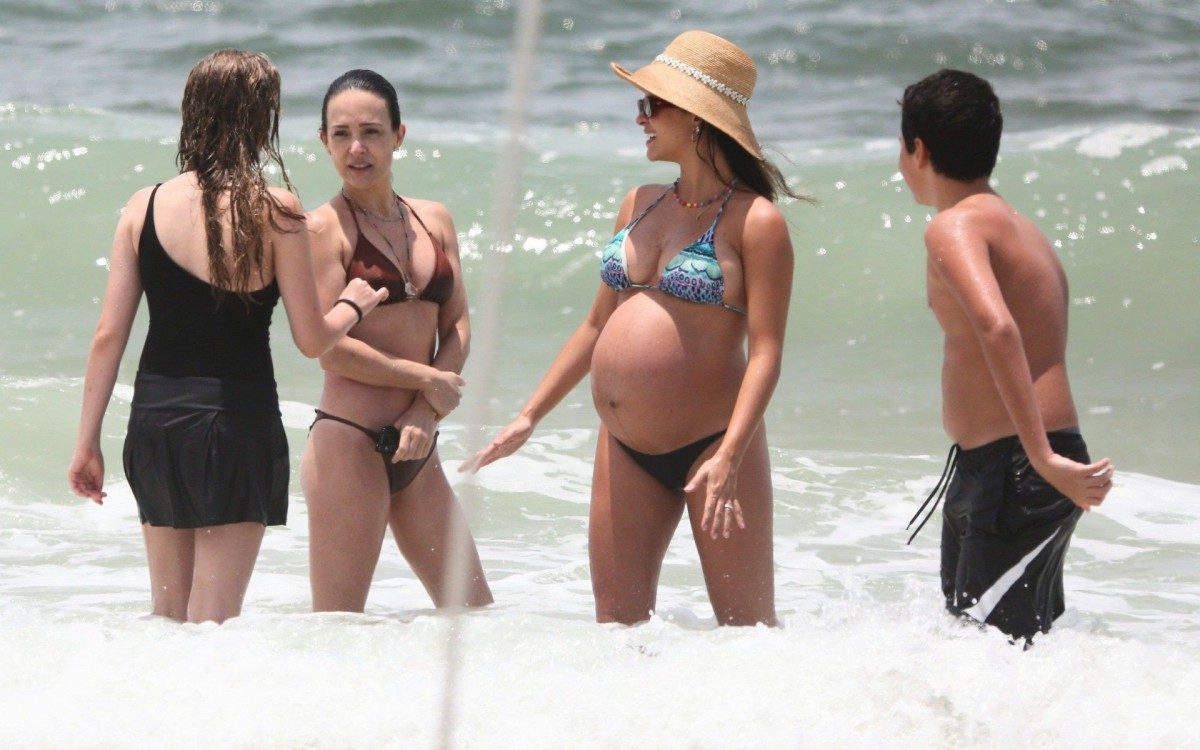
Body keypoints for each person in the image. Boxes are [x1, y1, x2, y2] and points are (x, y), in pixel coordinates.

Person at [464, 31, 798, 627]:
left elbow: (767, 352)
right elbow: (597, 324)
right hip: (623, 448)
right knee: (616, 630)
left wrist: (731, 455)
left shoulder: (757, 221)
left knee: (749, 637)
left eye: (652, 104)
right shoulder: (639, 202)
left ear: (696, 118)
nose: (639, 117)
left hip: (714, 448)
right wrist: (529, 416)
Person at [67, 50, 387, 624]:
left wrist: (86, 442)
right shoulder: (277, 210)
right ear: (262, 120)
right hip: (238, 425)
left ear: (194, 112)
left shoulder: (144, 206)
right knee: (215, 621)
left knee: (166, 616)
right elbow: (313, 341)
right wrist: (351, 306)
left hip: (156, 426)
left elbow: (108, 335)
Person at [897, 69, 1114, 642]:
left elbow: (999, 329)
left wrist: (1040, 458)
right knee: (991, 655)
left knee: (991, 655)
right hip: (1002, 464)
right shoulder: (1023, 229)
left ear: (917, 149)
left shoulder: (953, 226)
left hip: (1021, 464)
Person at [300, 69, 493, 613]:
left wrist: (426, 412)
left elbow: (456, 324)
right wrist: (425, 379)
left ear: (399, 135)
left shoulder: (434, 219)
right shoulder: (321, 229)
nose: (356, 148)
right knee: (338, 625)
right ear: (323, 142)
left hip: (417, 441)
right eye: (340, 134)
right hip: (349, 443)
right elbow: (328, 346)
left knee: (472, 614)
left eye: (371, 131)